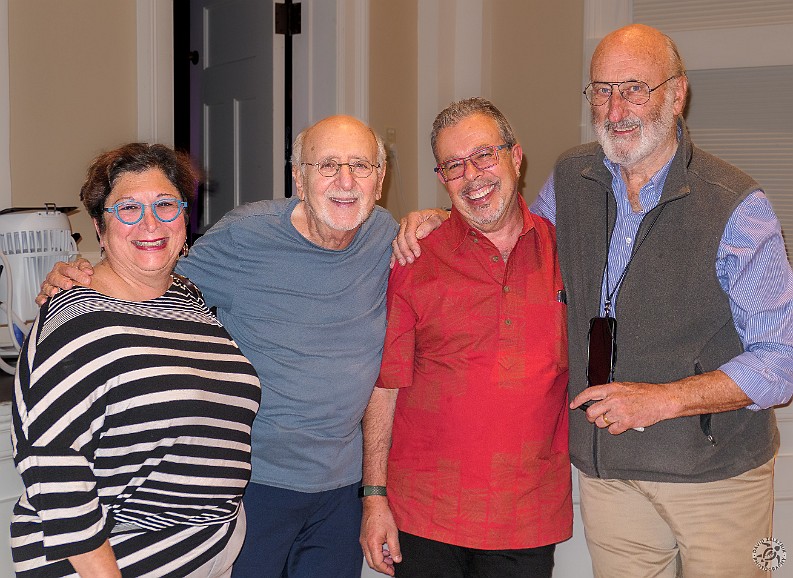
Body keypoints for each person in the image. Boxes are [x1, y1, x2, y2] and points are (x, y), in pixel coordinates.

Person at [393, 25, 793, 578]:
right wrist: (440, 219)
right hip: (611, 482)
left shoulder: (738, 207)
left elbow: (781, 361)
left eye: (634, 87)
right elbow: (511, 232)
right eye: (601, 90)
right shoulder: (572, 178)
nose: (615, 106)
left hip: (719, 479)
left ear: (677, 94)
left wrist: (662, 401)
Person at [37, 115, 399, 578]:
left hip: (340, 490)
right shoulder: (247, 236)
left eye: (360, 166)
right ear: (299, 178)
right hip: (253, 484)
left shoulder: (387, 235)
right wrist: (78, 277)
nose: (345, 181)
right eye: (327, 165)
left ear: (380, 178)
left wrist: (430, 219)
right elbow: (154, 271)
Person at [12, 143, 262, 577]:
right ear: (99, 226)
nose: (150, 222)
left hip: (202, 553)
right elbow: (51, 464)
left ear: (185, 216)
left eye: (166, 204)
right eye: (127, 208)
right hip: (115, 562)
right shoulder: (76, 316)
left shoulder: (186, 297)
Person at [359, 98, 572, 578]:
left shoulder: (568, 255)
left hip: (526, 518)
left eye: (484, 156)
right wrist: (374, 500)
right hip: (424, 517)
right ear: (441, 177)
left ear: (515, 157)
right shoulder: (414, 259)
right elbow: (386, 386)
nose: (472, 175)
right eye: (453, 165)